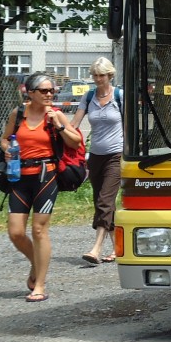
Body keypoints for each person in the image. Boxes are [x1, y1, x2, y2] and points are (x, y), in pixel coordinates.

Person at [0, 71, 83, 302]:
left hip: (46, 177)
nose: (50, 94)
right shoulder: (18, 114)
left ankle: (40, 286)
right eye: (44, 91)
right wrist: (7, 148)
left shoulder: (54, 115)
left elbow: (76, 142)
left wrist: (60, 126)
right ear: (31, 93)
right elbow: (5, 138)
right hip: (19, 177)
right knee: (15, 232)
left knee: (38, 230)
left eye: (52, 91)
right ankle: (37, 262)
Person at [70, 57, 123, 266]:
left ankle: (96, 248)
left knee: (105, 201)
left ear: (110, 75)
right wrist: (56, 123)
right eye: (95, 75)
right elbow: (74, 123)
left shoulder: (119, 96)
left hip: (116, 155)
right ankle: (120, 248)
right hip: (95, 156)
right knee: (103, 203)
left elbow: (129, 127)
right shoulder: (89, 96)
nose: (98, 79)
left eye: (101, 75)